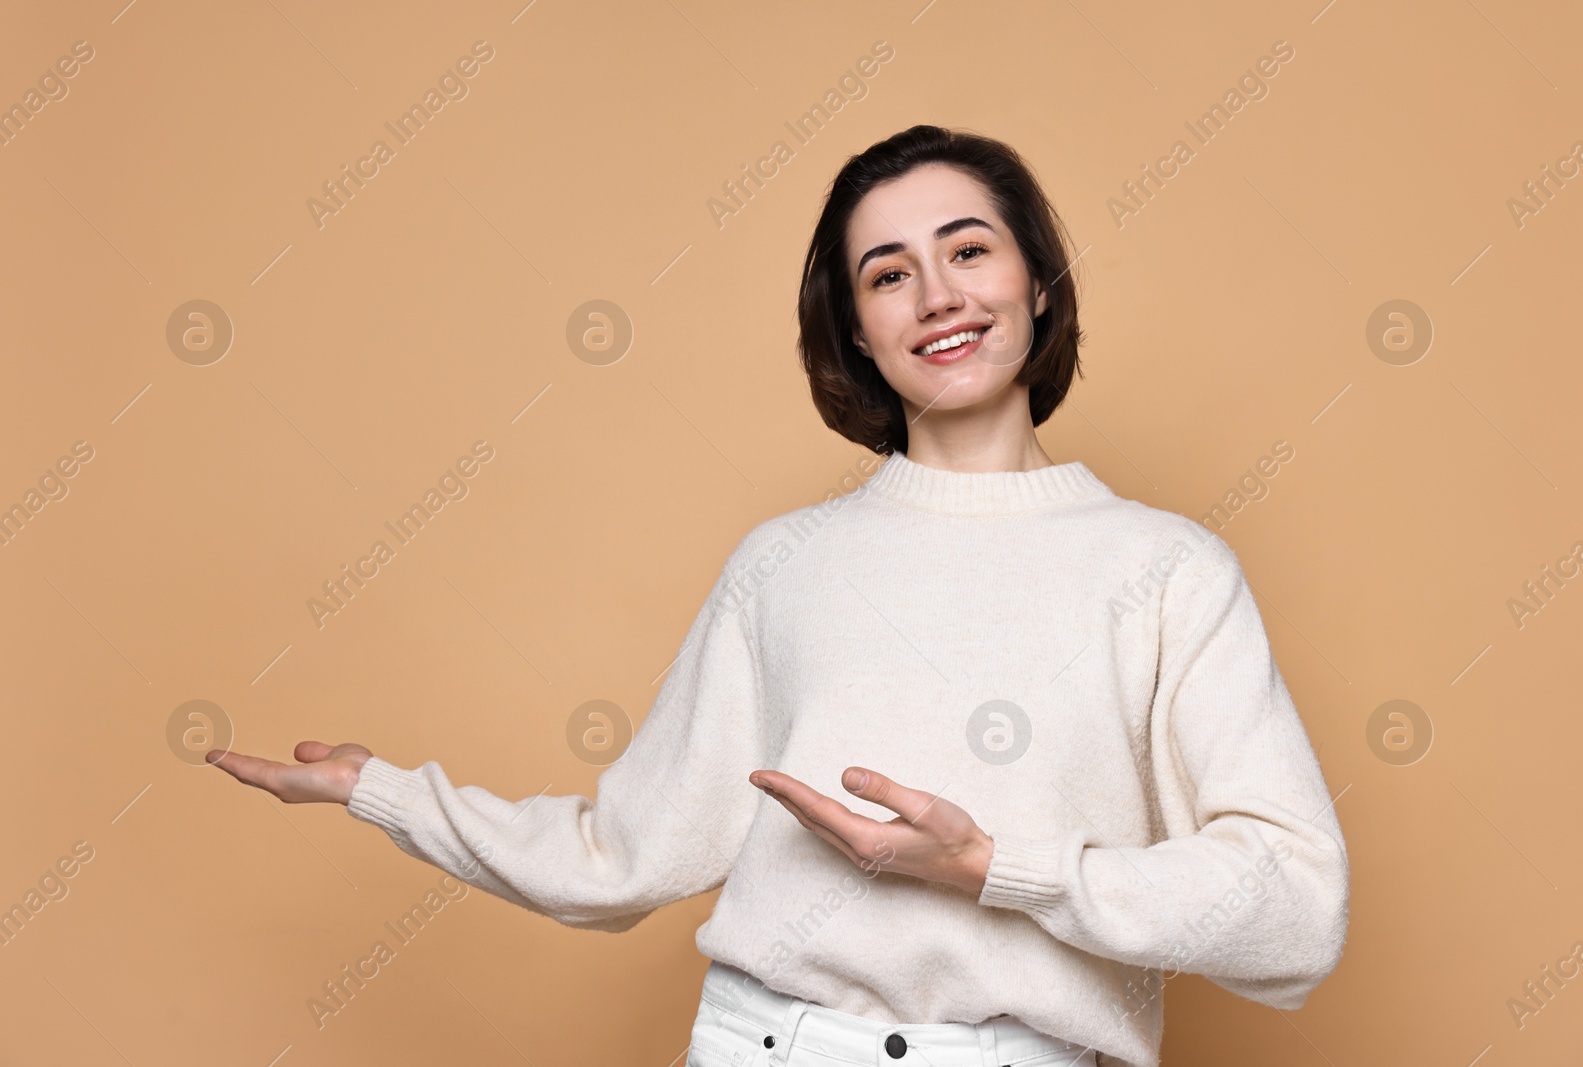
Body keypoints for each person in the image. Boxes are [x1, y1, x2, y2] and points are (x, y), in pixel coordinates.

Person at [209, 124, 1349, 1067]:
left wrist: (995, 865)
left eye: (969, 251)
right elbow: (623, 855)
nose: (937, 296)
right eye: (888, 273)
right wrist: (386, 790)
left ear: (1038, 284)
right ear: (857, 328)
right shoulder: (785, 564)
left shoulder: (1167, 569)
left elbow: (1294, 906)